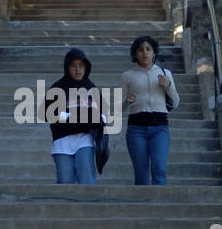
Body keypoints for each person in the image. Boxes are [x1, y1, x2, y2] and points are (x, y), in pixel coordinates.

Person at [42, 48, 106, 185]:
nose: (78, 69)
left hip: (85, 138)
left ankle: (89, 204)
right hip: (62, 140)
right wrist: (62, 116)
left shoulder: (92, 88)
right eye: (73, 65)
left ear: (86, 67)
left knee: (87, 175)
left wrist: (101, 118)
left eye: (81, 65)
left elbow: (102, 111)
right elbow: (44, 113)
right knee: (65, 181)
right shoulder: (56, 88)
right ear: (67, 67)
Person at [121, 35, 179, 185]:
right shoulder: (127, 76)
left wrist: (168, 86)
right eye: (140, 50)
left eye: (148, 49)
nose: (145, 53)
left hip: (160, 127)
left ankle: (160, 206)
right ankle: (143, 206)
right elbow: (119, 108)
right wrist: (127, 101)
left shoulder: (165, 74)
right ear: (135, 54)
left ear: (154, 52)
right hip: (136, 128)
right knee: (141, 173)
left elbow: (176, 103)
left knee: (159, 168)